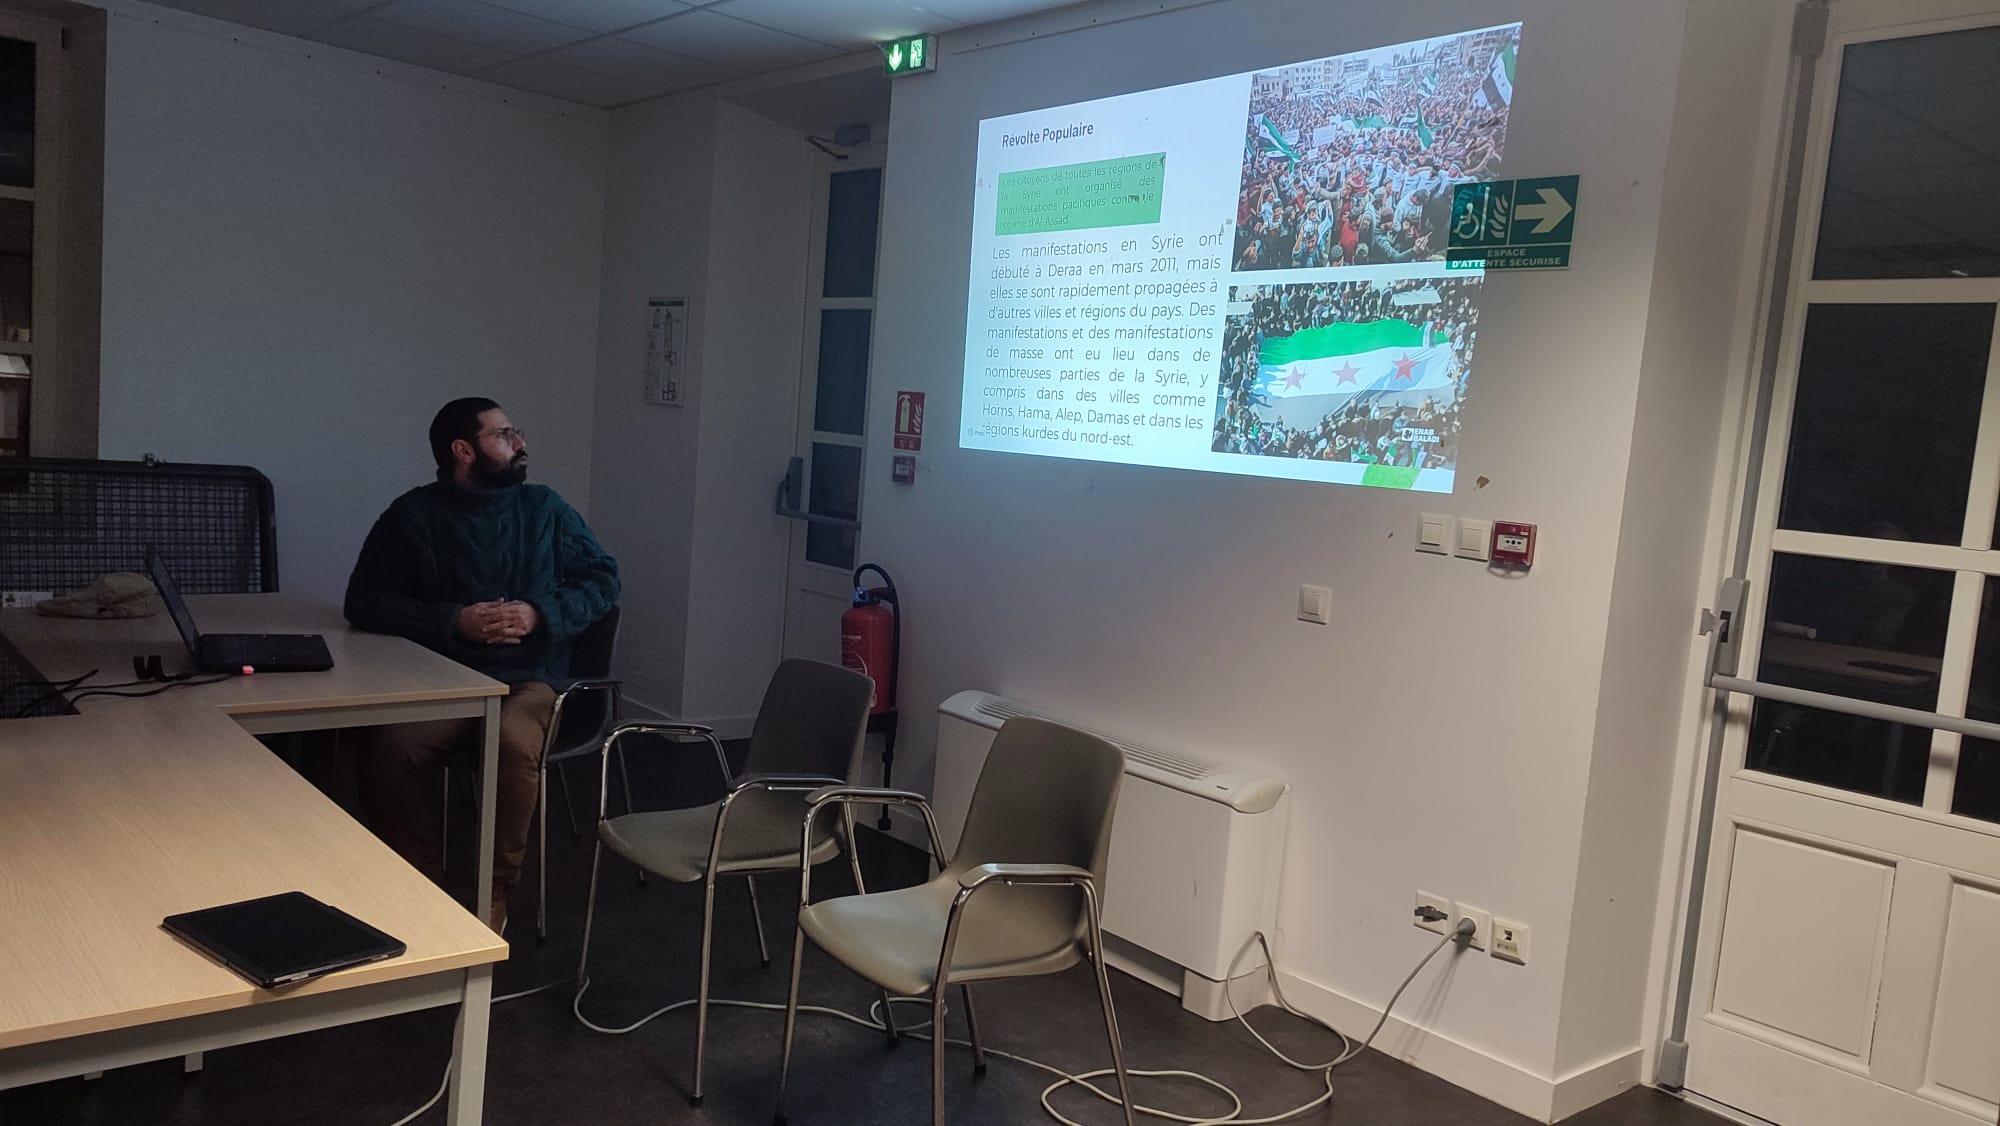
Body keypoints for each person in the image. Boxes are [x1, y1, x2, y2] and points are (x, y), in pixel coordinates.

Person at [345, 396, 621, 929]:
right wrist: (454, 621)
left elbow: (604, 581)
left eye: (516, 433)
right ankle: (420, 889)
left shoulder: (544, 508)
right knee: (388, 746)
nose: (520, 444)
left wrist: (539, 614)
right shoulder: (412, 516)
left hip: (532, 679)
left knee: (513, 741)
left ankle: (490, 897)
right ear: (463, 451)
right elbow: (365, 601)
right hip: (446, 680)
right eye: (503, 435)